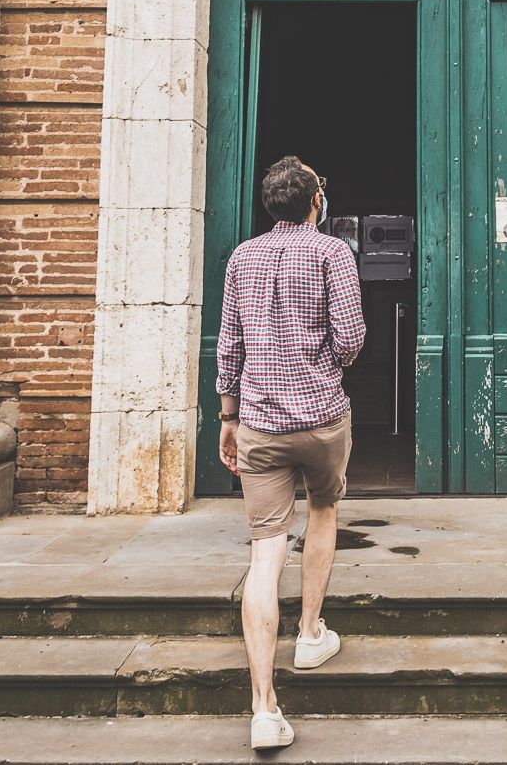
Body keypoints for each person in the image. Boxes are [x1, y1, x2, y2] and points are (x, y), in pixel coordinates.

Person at [216, 155, 365, 752]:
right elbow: (351, 338)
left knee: (265, 550)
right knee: (324, 512)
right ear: (314, 202)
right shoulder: (333, 253)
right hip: (323, 417)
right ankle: (308, 634)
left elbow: (230, 344)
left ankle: (264, 708)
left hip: (258, 422)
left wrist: (228, 418)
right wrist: (322, 366)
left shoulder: (242, 257)